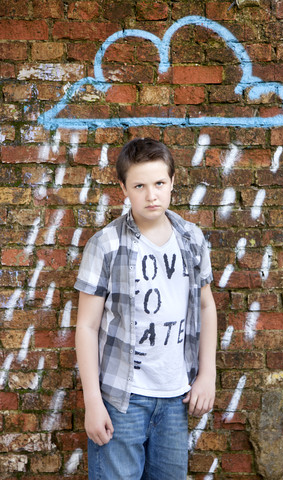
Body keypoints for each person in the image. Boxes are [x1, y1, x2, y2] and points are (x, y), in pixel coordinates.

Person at [75, 137, 217, 480]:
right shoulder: (106, 243)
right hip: (122, 399)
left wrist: (207, 374)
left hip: (175, 397)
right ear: (123, 187)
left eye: (159, 184)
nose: (151, 195)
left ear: (172, 183)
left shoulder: (191, 238)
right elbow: (87, 326)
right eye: (139, 185)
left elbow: (206, 304)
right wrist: (92, 401)